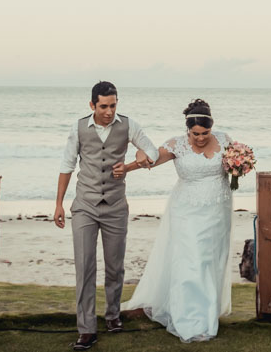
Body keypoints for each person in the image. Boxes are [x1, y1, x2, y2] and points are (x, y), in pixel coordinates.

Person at [116, 98, 233, 342]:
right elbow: (151, 160)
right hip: (186, 212)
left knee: (210, 262)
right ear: (187, 129)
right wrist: (126, 168)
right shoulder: (177, 145)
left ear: (212, 128)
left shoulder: (225, 140)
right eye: (195, 133)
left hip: (218, 211)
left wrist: (242, 164)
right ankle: (188, 319)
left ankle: (207, 313)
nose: (200, 138)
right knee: (190, 261)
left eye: (205, 133)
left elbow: (238, 161)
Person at [54, 81, 158, 351]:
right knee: (85, 267)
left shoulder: (128, 125)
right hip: (85, 206)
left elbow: (154, 153)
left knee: (115, 267)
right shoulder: (78, 128)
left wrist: (132, 165)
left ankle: (113, 315)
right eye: (104, 106)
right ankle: (86, 329)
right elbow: (66, 166)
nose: (109, 111)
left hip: (115, 206)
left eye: (113, 105)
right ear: (92, 105)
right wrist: (59, 205)